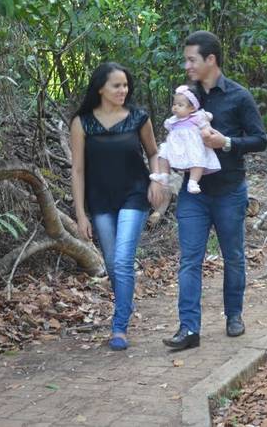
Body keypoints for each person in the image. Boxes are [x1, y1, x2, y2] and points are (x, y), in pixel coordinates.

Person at [162, 31, 267, 351]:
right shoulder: (186, 97)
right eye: (186, 60)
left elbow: (260, 140)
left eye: (191, 60)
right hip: (193, 194)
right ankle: (189, 328)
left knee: (232, 257)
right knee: (189, 260)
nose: (187, 66)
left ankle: (234, 315)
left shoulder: (239, 96)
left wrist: (227, 142)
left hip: (230, 192)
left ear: (211, 59)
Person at [70, 62, 166, 351]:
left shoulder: (138, 118)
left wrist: (157, 181)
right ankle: (125, 302)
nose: (123, 90)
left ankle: (119, 326)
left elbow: (154, 153)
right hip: (100, 201)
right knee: (112, 264)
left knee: (123, 260)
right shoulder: (82, 123)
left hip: (134, 195)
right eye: (117, 85)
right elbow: (78, 170)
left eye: (125, 85)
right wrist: (80, 214)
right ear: (100, 88)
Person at [149, 84, 221, 195]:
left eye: (180, 105)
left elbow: (205, 124)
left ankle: (193, 182)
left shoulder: (196, 117)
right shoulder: (173, 120)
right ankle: (164, 175)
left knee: (197, 159)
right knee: (163, 154)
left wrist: (206, 131)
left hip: (191, 145)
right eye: (174, 104)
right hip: (176, 146)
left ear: (192, 108)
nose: (175, 107)